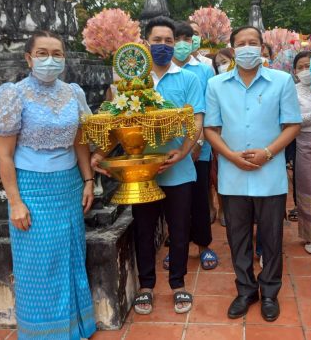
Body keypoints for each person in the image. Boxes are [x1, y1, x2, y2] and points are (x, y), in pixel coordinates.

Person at [0, 31, 96, 339]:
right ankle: (44, 334)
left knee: (71, 256)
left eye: (57, 54)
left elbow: (80, 141)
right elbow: (4, 156)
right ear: (29, 58)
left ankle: (74, 328)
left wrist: (88, 180)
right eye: (43, 53)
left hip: (69, 185)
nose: (50, 59)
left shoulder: (74, 93)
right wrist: (16, 202)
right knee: (38, 265)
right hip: (31, 187)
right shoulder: (13, 95)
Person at [92, 17, 204, 316]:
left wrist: (183, 150)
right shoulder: (129, 82)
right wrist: (99, 152)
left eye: (169, 41)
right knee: (143, 230)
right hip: (139, 172)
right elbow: (116, 123)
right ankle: (146, 286)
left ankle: (178, 283)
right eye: (158, 40)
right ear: (146, 42)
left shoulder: (189, 79)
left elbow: (196, 120)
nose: (164, 46)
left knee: (179, 230)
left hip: (178, 170)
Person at [205, 26, 301, 322]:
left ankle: (270, 291)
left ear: (262, 48)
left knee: (272, 237)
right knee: (238, 237)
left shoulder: (282, 81)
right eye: (241, 43)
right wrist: (230, 155)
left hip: (269, 172)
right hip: (232, 174)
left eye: (253, 43)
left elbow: (292, 125)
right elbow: (210, 128)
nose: (247, 48)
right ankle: (245, 289)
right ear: (232, 49)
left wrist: (268, 153)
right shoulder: (217, 85)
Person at [171, 21, 218, 270]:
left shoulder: (205, 69)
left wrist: (197, 143)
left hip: (199, 146)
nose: (181, 43)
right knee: (175, 199)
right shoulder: (161, 70)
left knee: (199, 195)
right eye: (177, 38)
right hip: (168, 147)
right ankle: (178, 245)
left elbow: (208, 108)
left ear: (192, 41)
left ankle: (203, 245)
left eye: (186, 38)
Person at [292, 51, 311, 254]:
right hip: (305, 144)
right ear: (295, 72)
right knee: (308, 188)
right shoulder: (292, 91)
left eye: (309, 66)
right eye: (301, 67)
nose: (306, 71)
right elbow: (295, 118)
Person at [210, 48, 235, 227]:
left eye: (224, 62)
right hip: (220, 137)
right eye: (217, 64)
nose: (221, 67)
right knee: (217, 175)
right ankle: (222, 208)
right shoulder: (215, 84)